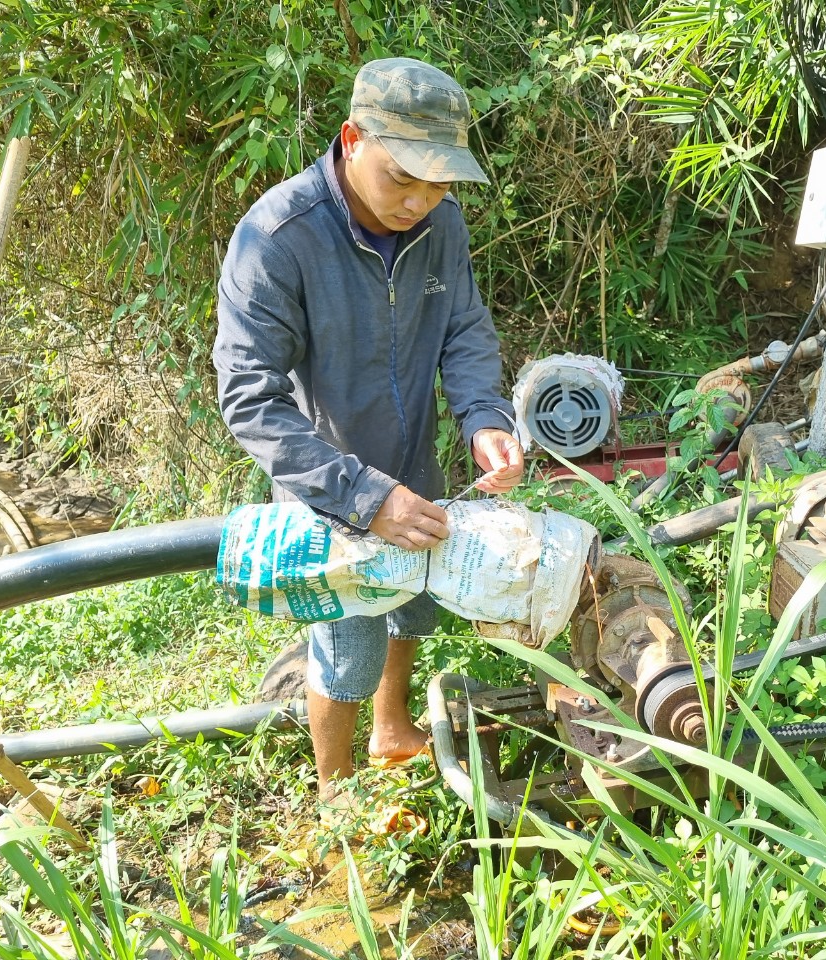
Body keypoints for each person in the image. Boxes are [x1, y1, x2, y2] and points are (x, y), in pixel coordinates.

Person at [213, 58, 523, 807]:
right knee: (345, 638)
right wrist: (359, 495)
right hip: (328, 485)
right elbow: (248, 396)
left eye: (439, 183)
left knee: (415, 599)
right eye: (402, 179)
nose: (420, 202)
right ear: (352, 140)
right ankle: (335, 792)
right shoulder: (279, 237)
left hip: (413, 459)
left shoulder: (440, 224)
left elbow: (465, 328)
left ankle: (392, 727)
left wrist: (485, 417)